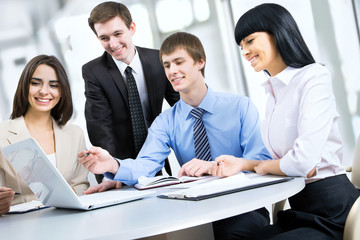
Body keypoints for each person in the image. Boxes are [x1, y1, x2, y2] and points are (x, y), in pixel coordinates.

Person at [79, 31, 272, 239]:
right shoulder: (166, 121)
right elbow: (145, 166)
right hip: (196, 213)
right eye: (167, 65)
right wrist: (112, 165)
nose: (172, 71)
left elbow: (259, 161)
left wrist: (216, 167)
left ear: (200, 62)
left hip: (242, 207)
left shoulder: (240, 107)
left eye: (179, 62)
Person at [209, 3, 360, 239]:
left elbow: (302, 161)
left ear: (277, 31)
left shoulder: (314, 76)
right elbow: (290, 162)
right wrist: (242, 163)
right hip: (301, 208)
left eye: (249, 41)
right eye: (241, 46)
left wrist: (275, 165)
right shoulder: (273, 91)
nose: (245, 52)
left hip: (333, 212)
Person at [83, 1, 180, 187]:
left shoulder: (158, 60)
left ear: (132, 28)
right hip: (117, 166)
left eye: (118, 34)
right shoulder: (94, 72)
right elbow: (100, 126)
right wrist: (109, 173)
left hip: (155, 157)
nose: (113, 44)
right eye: (104, 38)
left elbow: (181, 104)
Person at [0, 55, 89, 206]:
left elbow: (81, 186)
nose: (44, 91)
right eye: (35, 83)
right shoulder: (2, 134)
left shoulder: (75, 134)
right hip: (19, 224)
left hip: (67, 221)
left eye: (54, 85)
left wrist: (70, 194)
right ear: (24, 86)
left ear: (62, 92)